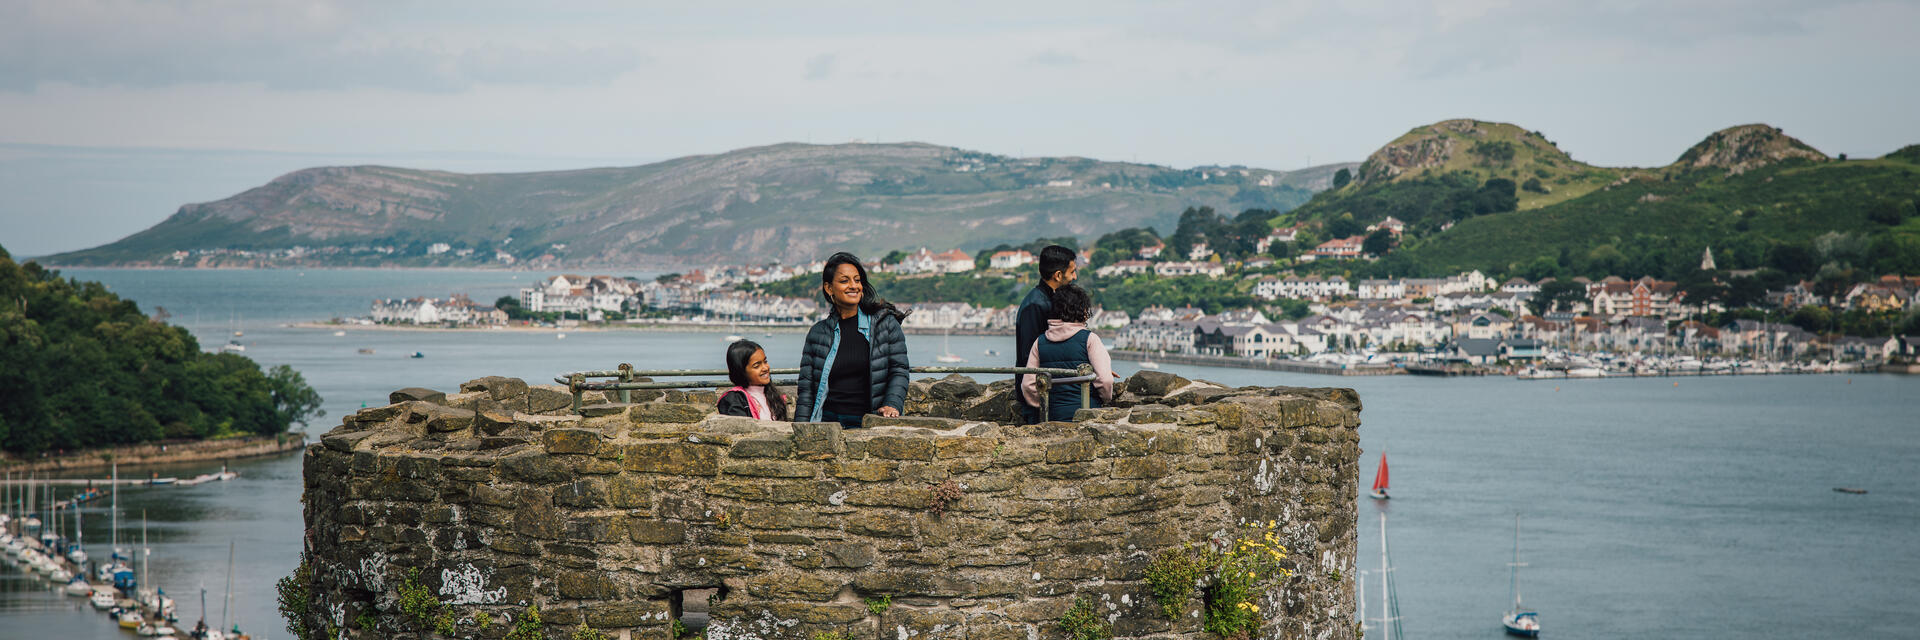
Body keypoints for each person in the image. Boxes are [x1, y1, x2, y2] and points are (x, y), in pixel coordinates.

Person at [795, 252, 911, 428]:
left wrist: (892, 404)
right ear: (829, 288)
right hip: (826, 422)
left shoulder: (885, 324)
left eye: (857, 280)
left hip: (868, 421)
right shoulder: (817, 333)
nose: (853, 286)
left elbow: (899, 369)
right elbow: (806, 390)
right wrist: (801, 429)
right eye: (844, 281)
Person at [1021, 284, 1119, 422]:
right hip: (1087, 414)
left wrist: (1044, 404)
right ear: (1082, 310)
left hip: (1052, 416)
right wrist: (1105, 400)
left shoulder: (1039, 342)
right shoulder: (1090, 339)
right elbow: (1105, 380)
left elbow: (1028, 385)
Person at [1015, 244, 1078, 423]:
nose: (1075, 277)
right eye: (1072, 272)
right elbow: (1030, 356)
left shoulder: (1046, 299)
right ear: (1058, 275)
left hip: (1049, 390)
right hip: (1038, 395)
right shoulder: (1035, 305)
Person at [716, 339, 788, 420]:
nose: (765, 368)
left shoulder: (772, 395)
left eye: (765, 361)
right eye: (756, 366)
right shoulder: (734, 400)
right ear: (741, 372)